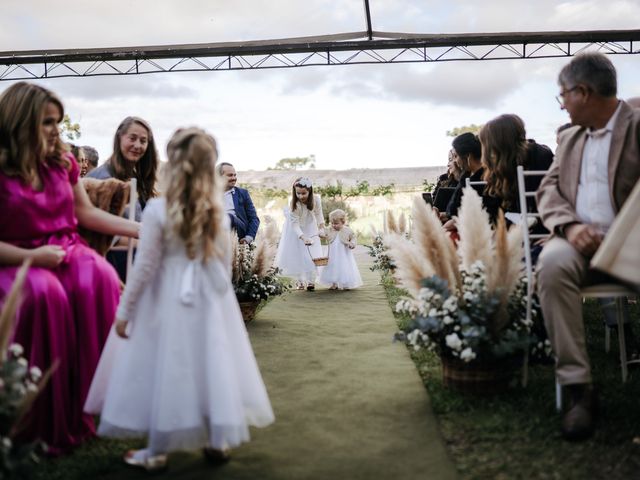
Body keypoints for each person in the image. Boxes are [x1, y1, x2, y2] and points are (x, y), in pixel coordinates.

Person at [85, 128, 274, 471]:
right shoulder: (216, 211)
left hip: (167, 297)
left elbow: (144, 268)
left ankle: (157, 450)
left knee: (166, 367)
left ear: (172, 165)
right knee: (211, 363)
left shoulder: (158, 210)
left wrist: (126, 311)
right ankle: (218, 441)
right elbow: (220, 262)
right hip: (210, 298)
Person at [0, 82, 139, 454]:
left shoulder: (62, 162)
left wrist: (143, 230)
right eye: (47, 122)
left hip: (65, 247)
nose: (56, 130)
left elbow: (85, 213)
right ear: (20, 122)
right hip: (13, 257)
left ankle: (96, 403)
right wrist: (32, 258)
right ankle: (41, 419)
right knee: (46, 295)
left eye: (58, 122)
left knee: (98, 277)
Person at [536, 52, 640, 441]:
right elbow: (547, 190)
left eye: (562, 95)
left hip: (632, 243)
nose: (561, 103)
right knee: (551, 264)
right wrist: (570, 225)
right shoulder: (570, 136)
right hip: (577, 243)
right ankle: (580, 390)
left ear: (582, 91)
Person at [87, 116, 159, 281]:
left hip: (133, 267)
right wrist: (149, 242)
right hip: (108, 271)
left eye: (143, 141)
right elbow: (101, 236)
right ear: (120, 137)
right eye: (132, 138)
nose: (138, 145)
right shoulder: (102, 178)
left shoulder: (134, 178)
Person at [478, 113, 554, 227]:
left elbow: (541, 208)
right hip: (516, 230)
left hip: (542, 230)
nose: (487, 150)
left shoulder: (539, 157)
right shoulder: (501, 165)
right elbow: (493, 209)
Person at [275, 177, 326, 291]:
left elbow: (319, 214)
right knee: (298, 253)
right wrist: (302, 237)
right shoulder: (294, 204)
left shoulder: (316, 200)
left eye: (304, 193)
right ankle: (300, 280)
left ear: (310, 191)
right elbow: (295, 225)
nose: (301, 196)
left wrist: (322, 228)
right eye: (298, 193)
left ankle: (310, 281)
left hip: (310, 226)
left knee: (311, 253)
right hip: (296, 230)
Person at [318, 209, 363, 290]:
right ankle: (333, 283)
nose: (334, 225)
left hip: (343, 254)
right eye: (332, 223)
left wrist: (352, 243)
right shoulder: (330, 229)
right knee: (331, 267)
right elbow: (323, 232)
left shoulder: (347, 230)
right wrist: (321, 234)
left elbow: (353, 237)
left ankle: (345, 283)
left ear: (343, 222)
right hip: (332, 254)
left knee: (344, 267)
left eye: (336, 223)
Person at [217, 162, 260, 244]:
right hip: (216, 231)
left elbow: (254, 218)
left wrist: (248, 238)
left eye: (235, 175)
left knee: (228, 217)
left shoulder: (243, 193)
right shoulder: (210, 194)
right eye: (230, 175)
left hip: (238, 231)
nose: (234, 178)